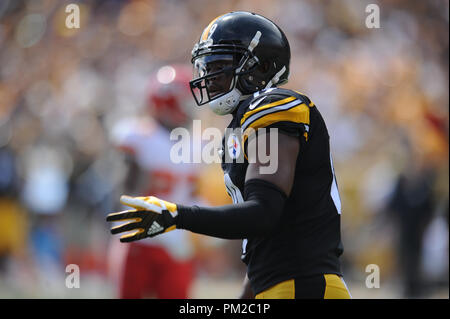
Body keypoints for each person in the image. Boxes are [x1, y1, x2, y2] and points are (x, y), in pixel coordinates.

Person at [107, 11, 351, 299]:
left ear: (259, 68)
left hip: (303, 286)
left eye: (219, 65)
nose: (208, 77)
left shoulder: (274, 105)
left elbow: (263, 213)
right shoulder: (241, 126)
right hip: (279, 285)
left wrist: (177, 215)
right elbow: (263, 241)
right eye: (206, 65)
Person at [107, 65, 202, 298]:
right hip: (140, 235)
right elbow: (125, 186)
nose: (190, 107)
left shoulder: (195, 142)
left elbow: (192, 192)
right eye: (184, 101)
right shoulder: (139, 136)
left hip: (176, 238)